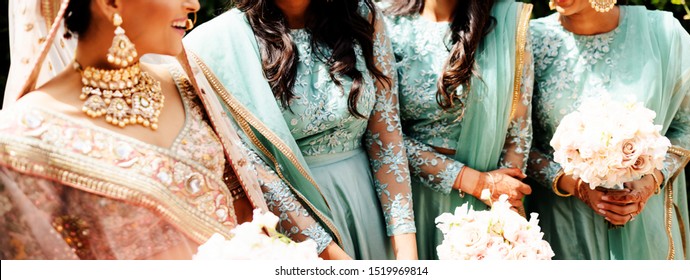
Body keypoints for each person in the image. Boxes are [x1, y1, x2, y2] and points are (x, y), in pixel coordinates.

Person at [0, 0, 340, 259]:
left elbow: (247, 209)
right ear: (111, 3)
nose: (193, 4)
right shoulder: (23, 140)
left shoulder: (187, 85)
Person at [185, 0, 417, 259]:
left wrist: (406, 251)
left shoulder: (361, 15)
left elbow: (386, 138)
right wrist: (328, 255)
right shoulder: (218, 43)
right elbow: (251, 169)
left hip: (369, 205)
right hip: (295, 226)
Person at [527, 0, 690, 259]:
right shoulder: (529, 41)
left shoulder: (663, 33)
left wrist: (649, 181)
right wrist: (577, 186)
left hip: (644, 223)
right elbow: (514, 143)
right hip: (563, 223)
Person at [381, 0, 534, 259]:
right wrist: (471, 181)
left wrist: (506, 216)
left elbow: (518, 128)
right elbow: (382, 135)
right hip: (409, 198)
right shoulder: (386, 22)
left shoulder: (507, 20)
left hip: (490, 202)